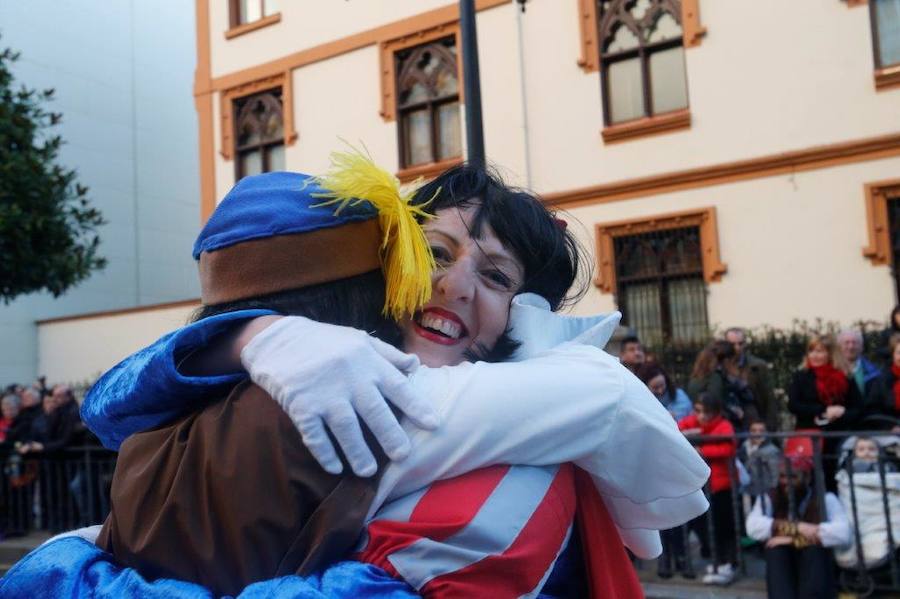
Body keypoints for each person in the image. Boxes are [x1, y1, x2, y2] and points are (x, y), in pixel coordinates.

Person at [2, 160, 709, 597]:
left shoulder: (522, 460)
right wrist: (254, 336)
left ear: (522, 319)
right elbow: (110, 408)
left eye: (495, 277)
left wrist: (65, 569)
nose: (455, 284)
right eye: (435, 251)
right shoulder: (305, 357)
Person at [746, 455, 851, 599]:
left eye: (793, 477)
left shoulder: (825, 498)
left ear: (807, 478)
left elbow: (843, 533)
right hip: (785, 559)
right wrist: (797, 528)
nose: (786, 482)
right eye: (783, 476)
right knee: (776, 550)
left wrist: (791, 539)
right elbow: (753, 527)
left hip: (813, 562)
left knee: (813, 550)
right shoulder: (770, 497)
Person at [678, 393, 738, 585]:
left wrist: (702, 450)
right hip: (700, 483)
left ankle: (728, 562)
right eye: (698, 411)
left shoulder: (724, 426)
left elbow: (727, 449)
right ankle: (716, 559)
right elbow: (677, 432)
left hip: (721, 484)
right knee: (704, 524)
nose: (702, 416)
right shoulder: (691, 423)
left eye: (707, 412)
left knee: (723, 526)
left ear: (716, 412)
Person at [788, 334, 862, 489]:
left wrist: (841, 412)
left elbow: (858, 408)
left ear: (831, 353)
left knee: (834, 482)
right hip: (809, 438)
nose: (814, 355)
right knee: (809, 483)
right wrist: (823, 410)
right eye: (812, 351)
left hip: (837, 438)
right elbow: (794, 405)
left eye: (820, 351)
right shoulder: (801, 376)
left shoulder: (845, 376)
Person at [688, 340, 757, 431]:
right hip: (716, 428)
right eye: (733, 361)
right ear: (726, 360)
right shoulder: (715, 378)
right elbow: (716, 404)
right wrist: (734, 413)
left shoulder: (698, 376)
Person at [725, 327, 780, 432]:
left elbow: (768, 397)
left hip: (754, 421)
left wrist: (770, 426)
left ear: (745, 344)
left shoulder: (758, 366)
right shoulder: (720, 366)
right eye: (732, 344)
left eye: (740, 343)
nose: (737, 347)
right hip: (729, 422)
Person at [737, 419, 782, 498]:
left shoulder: (772, 451)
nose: (757, 433)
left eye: (761, 431)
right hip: (746, 490)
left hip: (763, 492)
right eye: (753, 431)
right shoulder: (744, 447)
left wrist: (774, 492)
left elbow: (775, 474)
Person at [838, 328, 880, 406]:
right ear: (839, 347)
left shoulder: (874, 372)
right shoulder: (831, 370)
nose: (851, 347)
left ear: (862, 347)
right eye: (846, 343)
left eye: (855, 343)